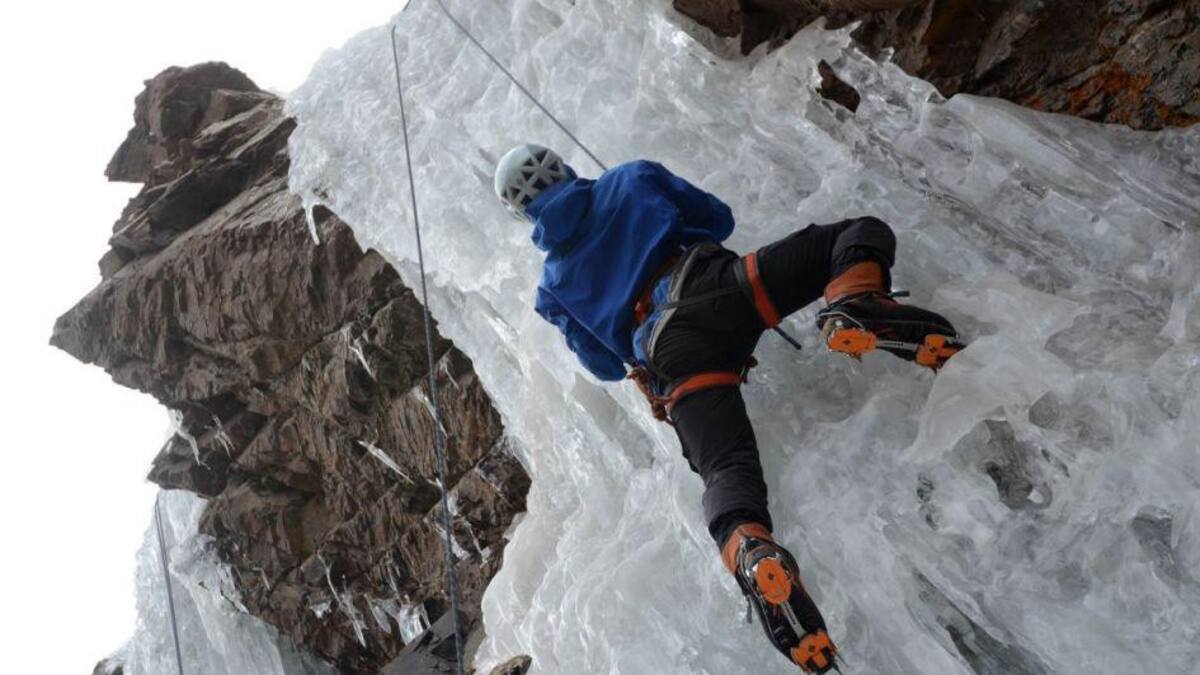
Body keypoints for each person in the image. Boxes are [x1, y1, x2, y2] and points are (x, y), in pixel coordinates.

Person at [494, 143, 962, 672]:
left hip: (673, 357)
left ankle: (750, 549)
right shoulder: (629, 178)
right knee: (853, 234)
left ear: (522, 213)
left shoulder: (552, 288)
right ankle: (856, 302)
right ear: (560, 166)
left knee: (724, 468)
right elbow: (718, 218)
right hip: (719, 288)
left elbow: (604, 365)